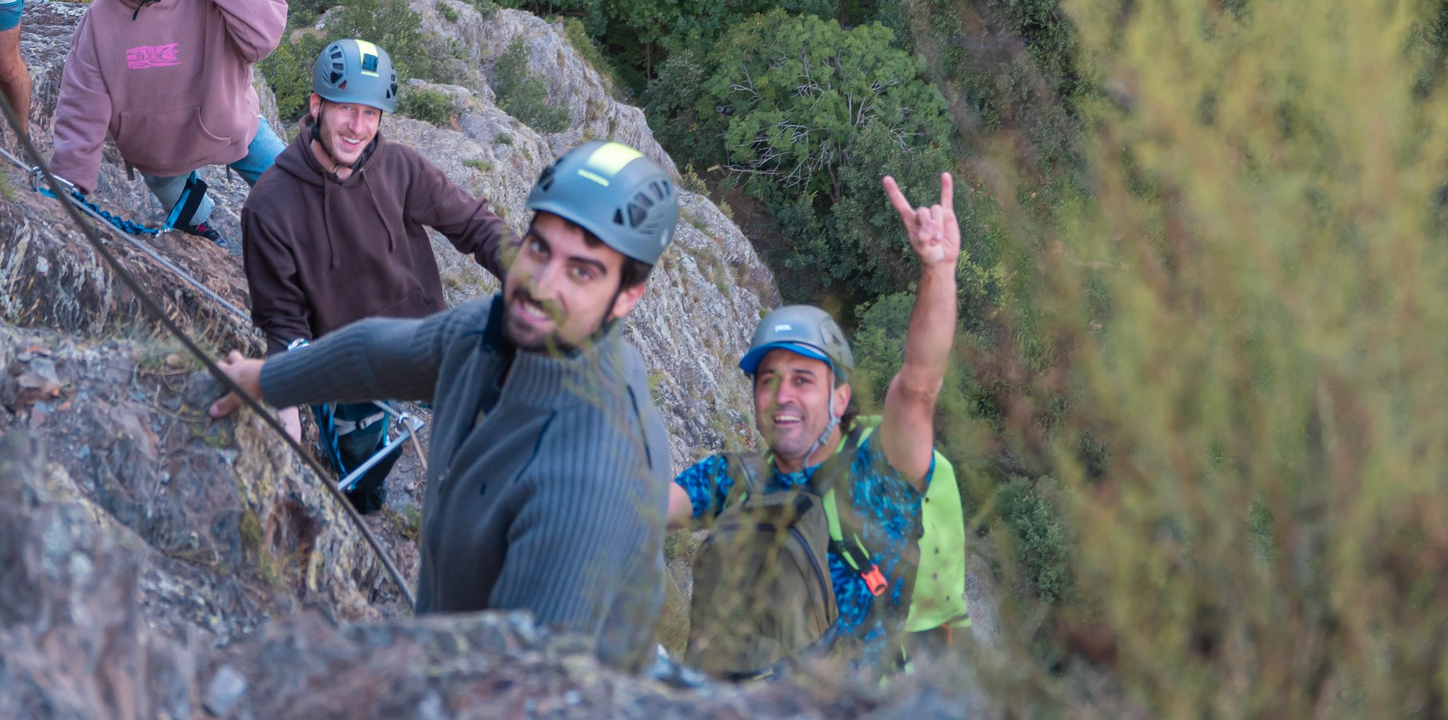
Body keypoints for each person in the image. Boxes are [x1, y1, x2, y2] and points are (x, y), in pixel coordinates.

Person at [211, 140, 681, 671]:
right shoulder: (491, 331)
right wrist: (266, 378)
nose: (541, 285)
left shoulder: (587, 477)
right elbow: (375, 354)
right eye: (540, 248)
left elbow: (525, 687)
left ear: (627, 296)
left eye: (582, 272)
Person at [673, 173, 962, 682]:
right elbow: (647, 503)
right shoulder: (733, 479)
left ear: (840, 397)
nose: (782, 395)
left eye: (804, 380)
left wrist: (938, 272)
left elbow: (918, 387)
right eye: (768, 381)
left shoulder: (877, 475)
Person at [239, 39, 509, 513]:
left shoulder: (399, 167)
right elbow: (284, 323)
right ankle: (366, 499)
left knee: (495, 426)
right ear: (317, 105)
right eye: (346, 109)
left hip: (423, 338)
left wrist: (534, 278)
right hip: (347, 364)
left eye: (370, 113)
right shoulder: (270, 205)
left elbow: (474, 225)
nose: (358, 127)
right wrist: (286, 404)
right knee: (364, 466)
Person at [49, 0, 287, 242]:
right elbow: (81, 104)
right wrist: (69, 180)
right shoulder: (99, 24)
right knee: (196, 229)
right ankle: (201, 225)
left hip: (231, 126)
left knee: (300, 188)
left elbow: (265, 36)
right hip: (160, 154)